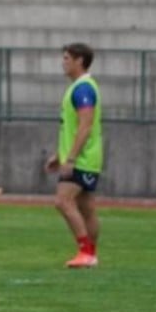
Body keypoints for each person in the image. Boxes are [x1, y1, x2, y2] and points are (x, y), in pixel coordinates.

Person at [44, 42, 102, 268]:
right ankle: (91, 255)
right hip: (87, 158)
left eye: (67, 58)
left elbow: (85, 126)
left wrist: (71, 158)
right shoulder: (80, 87)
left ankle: (86, 252)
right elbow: (72, 127)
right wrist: (60, 155)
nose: (63, 62)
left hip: (82, 159)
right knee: (87, 208)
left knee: (62, 201)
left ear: (80, 61)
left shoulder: (83, 89)